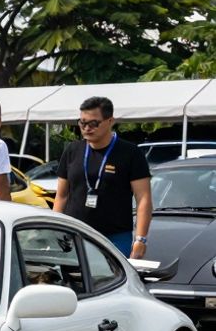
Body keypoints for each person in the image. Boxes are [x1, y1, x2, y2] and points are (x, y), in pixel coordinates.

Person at [54, 96, 152, 257]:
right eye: (82, 123)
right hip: (74, 235)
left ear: (110, 121)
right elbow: (61, 195)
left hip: (114, 238)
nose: (86, 128)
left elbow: (143, 198)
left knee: (112, 281)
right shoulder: (72, 150)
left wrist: (140, 240)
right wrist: (54, 230)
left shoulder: (130, 153)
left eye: (93, 123)